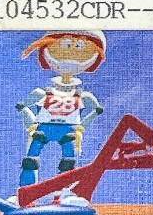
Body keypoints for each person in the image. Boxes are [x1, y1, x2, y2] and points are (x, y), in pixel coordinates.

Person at [16, 31, 105, 186]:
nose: (71, 52)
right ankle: (27, 187)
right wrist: (24, 107)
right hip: (45, 128)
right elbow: (29, 103)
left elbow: (91, 111)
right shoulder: (45, 92)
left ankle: (63, 189)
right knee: (32, 158)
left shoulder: (80, 95)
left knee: (68, 160)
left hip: (67, 130)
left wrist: (93, 113)